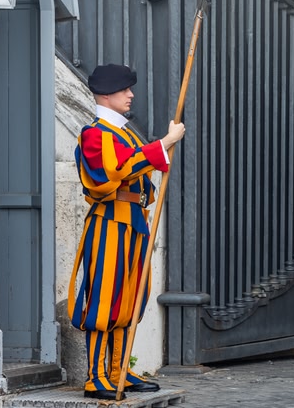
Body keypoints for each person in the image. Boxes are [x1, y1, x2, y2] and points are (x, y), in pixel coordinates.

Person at [67, 63, 185, 400]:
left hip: (133, 223)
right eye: (124, 90)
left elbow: (143, 165)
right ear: (107, 94)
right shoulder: (95, 134)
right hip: (110, 224)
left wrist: (158, 152)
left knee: (130, 298)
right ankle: (96, 377)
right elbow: (113, 170)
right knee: (105, 299)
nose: (131, 95)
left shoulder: (125, 133)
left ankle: (119, 370)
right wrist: (163, 143)